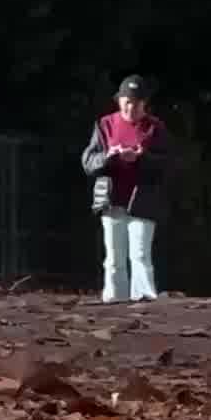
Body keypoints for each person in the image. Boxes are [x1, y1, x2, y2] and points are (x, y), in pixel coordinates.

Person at [82, 76, 167, 304]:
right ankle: (114, 299)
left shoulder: (154, 128)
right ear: (119, 101)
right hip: (111, 199)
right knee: (114, 257)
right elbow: (89, 161)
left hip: (142, 199)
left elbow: (166, 164)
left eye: (137, 103)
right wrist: (108, 158)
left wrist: (142, 157)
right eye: (127, 101)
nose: (131, 107)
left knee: (140, 253)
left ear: (144, 104)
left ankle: (144, 299)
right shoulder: (105, 124)